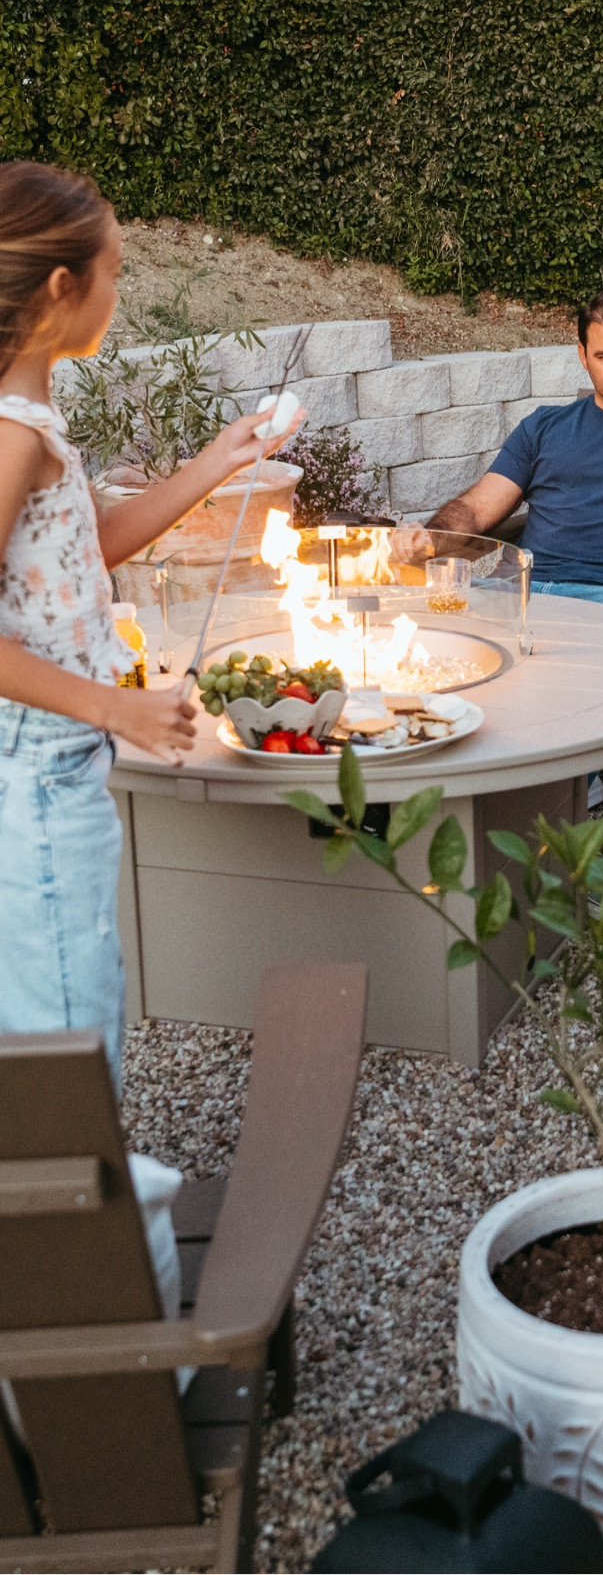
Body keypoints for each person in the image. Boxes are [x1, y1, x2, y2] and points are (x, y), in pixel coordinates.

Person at [0, 162, 299, 1085]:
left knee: (66, 985)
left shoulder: (31, 418)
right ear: (62, 287)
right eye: (115, 272)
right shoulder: (12, 433)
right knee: (70, 1017)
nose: (119, 292)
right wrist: (115, 707)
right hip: (35, 764)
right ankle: (87, 1176)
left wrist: (216, 461)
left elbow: (91, 543)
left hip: (54, 755)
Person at [393, 289, 603, 617]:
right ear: (583, 356)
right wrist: (430, 536)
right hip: (516, 587)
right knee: (412, 624)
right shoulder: (543, 427)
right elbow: (476, 507)